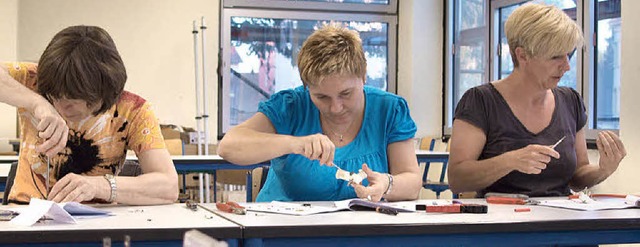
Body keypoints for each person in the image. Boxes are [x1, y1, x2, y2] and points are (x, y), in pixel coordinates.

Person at [217, 24, 421, 202]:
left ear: (363, 76)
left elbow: (412, 183)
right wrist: (295, 144)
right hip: (285, 232)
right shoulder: (290, 106)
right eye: (322, 97)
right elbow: (229, 146)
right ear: (306, 87)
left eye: (346, 93)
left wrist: (387, 183)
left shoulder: (389, 110)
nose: (336, 107)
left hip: (363, 232)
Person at [448, 3, 626, 197]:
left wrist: (603, 170)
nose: (566, 67)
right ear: (522, 55)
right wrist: (509, 161)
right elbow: (458, 179)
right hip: (502, 220)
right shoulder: (480, 101)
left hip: (559, 219)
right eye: (556, 57)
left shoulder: (570, 101)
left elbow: (577, 176)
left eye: (569, 55)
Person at [0, 25, 178, 205]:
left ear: (100, 94)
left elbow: (168, 187)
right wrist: (38, 104)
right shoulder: (41, 79)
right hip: (24, 215)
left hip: (95, 219)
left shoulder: (133, 110)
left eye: (71, 102)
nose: (60, 109)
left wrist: (100, 187)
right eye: (54, 98)